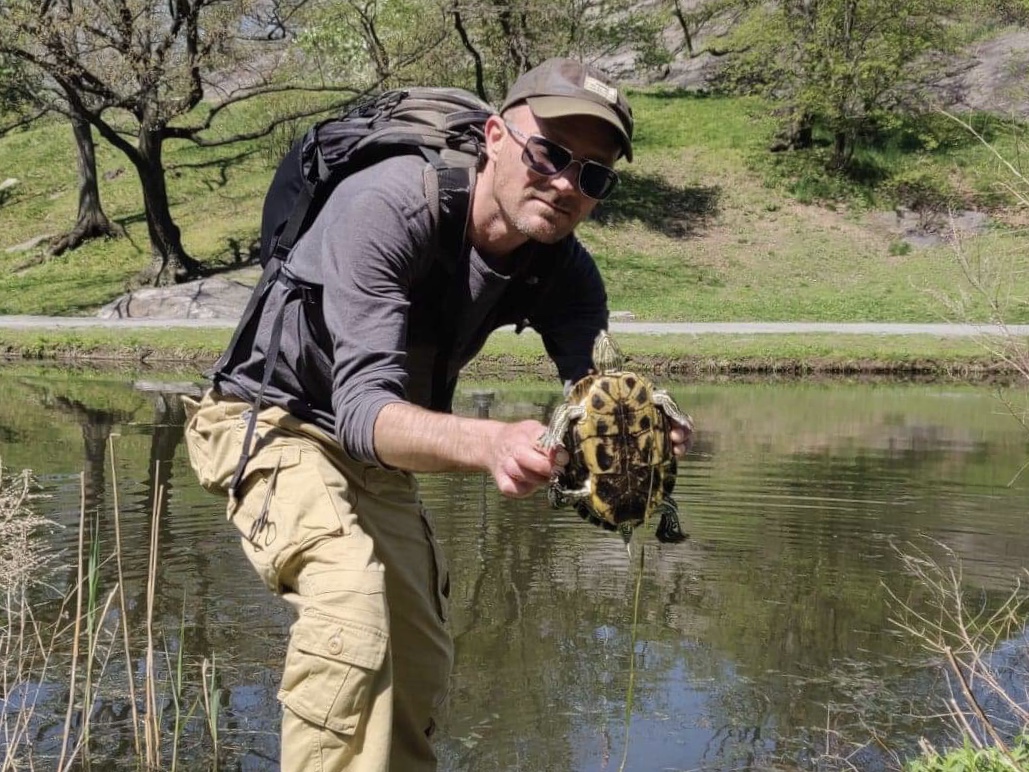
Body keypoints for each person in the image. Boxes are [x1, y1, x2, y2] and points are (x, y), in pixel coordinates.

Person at [183, 57, 691, 772]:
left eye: (593, 175)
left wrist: (643, 437)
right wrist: (489, 443)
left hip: (373, 456)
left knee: (416, 659)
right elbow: (361, 410)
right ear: (494, 136)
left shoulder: (563, 270)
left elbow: (596, 394)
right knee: (351, 613)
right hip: (271, 421)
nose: (566, 183)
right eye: (548, 153)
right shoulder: (389, 204)